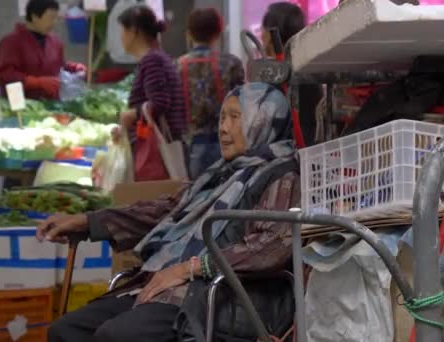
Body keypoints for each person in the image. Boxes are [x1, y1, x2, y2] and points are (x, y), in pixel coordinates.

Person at [40, 82, 301, 342]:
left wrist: (190, 268)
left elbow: (271, 245)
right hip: (167, 287)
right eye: (222, 117)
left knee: (117, 336)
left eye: (235, 117)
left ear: (264, 120)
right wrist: (89, 221)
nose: (223, 128)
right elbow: (167, 212)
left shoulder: (281, 175)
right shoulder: (219, 174)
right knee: (66, 332)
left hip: (219, 298)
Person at [113, 5, 187, 181]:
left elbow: (160, 102)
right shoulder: (157, 58)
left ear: (134, 31)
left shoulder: (152, 60)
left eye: (122, 31)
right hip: (160, 147)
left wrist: (130, 114)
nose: (121, 37)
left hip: (156, 154)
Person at [178, 8, 245, 179]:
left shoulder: (177, 67)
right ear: (218, 33)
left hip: (192, 145)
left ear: (189, 34)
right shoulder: (231, 63)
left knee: (198, 198)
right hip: (229, 141)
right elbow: (243, 102)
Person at [0, 0, 85, 100]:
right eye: (51, 18)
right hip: (22, 105)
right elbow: (6, 75)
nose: (54, 22)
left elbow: (59, 65)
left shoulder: (56, 42)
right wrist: (37, 82)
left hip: (51, 103)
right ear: (34, 17)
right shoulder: (10, 42)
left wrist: (74, 67)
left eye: (56, 18)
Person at [261, 2, 322, 147]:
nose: (260, 35)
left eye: (263, 29)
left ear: (270, 36)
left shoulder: (270, 76)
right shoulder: (308, 71)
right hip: (310, 150)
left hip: (279, 154)